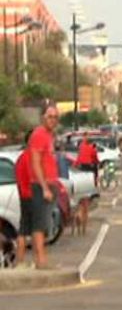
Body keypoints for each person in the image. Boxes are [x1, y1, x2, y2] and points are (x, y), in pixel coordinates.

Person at [26, 105, 60, 270]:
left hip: (50, 184)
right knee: (39, 224)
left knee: (46, 223)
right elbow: (35, 163)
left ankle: (42, 258)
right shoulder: (39, 135)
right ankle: (40, 260)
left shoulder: (49, 136)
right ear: (42, 117)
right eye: (50, 116)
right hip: (41, 186)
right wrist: (44, 187)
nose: (53, 120)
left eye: (55, 117)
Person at [14, 131, 34, 268]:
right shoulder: (30, 158)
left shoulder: (21, 158)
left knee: (25, 229)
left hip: (24, 195)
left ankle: (21, 260)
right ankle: (29, 261)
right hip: (31, 196)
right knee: (35, 230)